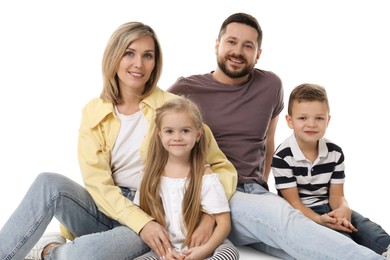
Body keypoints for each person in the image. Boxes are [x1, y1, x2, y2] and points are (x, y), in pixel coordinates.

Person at [0, 21, 237, 260]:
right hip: (105, 208)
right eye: (129, 53)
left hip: (153, 213)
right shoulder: (94, 111)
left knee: (83, 254)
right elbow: (97, 185)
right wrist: (141, 223)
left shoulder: (172, 109)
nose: (138, 64)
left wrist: (208, 218)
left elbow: (221, 169)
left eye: (148, 56)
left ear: (155, 63)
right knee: (48, 183)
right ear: (114, 57)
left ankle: (49, 251)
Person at [168, 12, 387, 259]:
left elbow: (268, 141)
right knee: (289, 223)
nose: (238, 51)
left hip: (257, 192)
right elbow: (163, 143)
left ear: (258, 54)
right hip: (217, 194)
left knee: (298, 246)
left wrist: (260, 183)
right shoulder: (185, 90)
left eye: (247, 46)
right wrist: (204, 209)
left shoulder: (270, 85)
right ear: (217, 44)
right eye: (231, 42)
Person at [272, 83, 390, 257]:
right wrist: (320, 220)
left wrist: (343, 209)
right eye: (303, 118)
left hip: (329, 207)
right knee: (341, 240)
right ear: (290, 121)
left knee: (369, 229)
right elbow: (294, 203)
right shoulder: (283, 157)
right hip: (304, 214)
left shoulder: (334, 152)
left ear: (328, 120)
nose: (311, 124)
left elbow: (336, 195)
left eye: (319, 118)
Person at [133, 97, 239, 260]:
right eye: (169, 131)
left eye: (185, 131)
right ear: (159, 135)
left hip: (203, 246)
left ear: (198, 134)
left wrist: (204, 251)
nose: (177, 137)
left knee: (229, 253)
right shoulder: (149, 175)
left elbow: (224, 224)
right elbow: (142, 215)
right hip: (166, 250)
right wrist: (166, 252)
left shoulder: (205, 176)